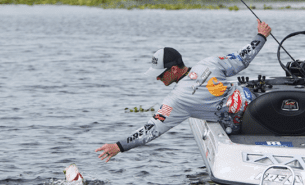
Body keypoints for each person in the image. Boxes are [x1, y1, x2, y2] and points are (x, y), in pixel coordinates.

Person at [95, 20, 272, 162]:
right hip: (261, 105)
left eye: (160, 75)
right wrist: (261, 36)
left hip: (248, 126)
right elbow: (242, 58)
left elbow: (151, 130)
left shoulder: (177, 100)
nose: (157, 79)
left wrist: (119, 146)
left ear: (173, 70)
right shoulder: (209, 63)